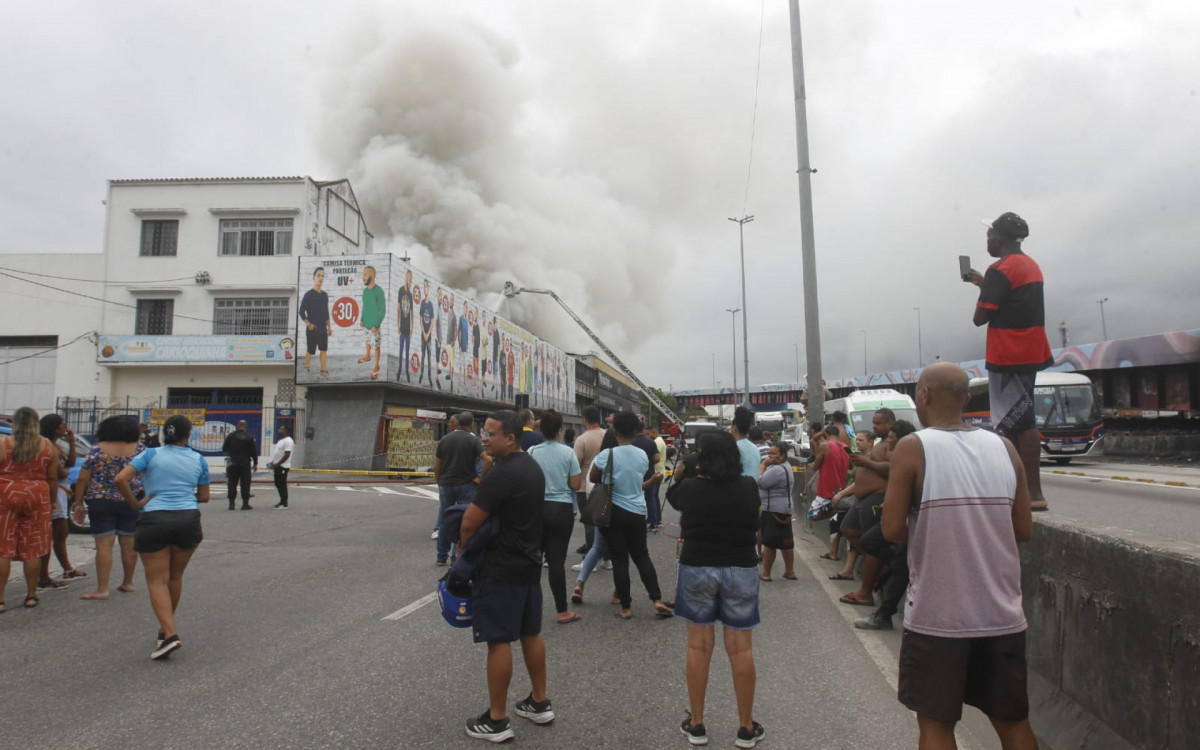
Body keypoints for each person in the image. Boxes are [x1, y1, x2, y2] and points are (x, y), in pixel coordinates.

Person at [882, 362, 1037, 750]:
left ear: (924, 395)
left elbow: (890, 529)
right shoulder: (1004, 446)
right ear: (967, 399)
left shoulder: (913, 447)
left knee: (936, 725)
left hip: (938, 618)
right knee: (1013, 722)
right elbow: (1023, 530)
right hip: (1002, 615)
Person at [457, 410, 553, 742]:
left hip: (500, 568)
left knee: (498, 641)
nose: (484, 438)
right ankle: (539, 702)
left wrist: (461, 551)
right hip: (528, 563)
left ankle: (497, 720)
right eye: (484, 431)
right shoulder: (531, 467)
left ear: (510, 438)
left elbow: (470, 521)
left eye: (491, 433)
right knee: (530, 633)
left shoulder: (502, 474)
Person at [666, 431, 765, 748]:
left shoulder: (691, 489)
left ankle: (697, 724)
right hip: (740, 568)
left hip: (698, 568)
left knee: (698, 647)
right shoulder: (749, 486)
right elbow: (754, 520)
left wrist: (685, 467)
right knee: (741, 649)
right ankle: (746, 727)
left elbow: (673, 495)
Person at [965, 212, 1052, 512]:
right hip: (1031, 350)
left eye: (989, 236)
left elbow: (980, 318)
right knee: (1017, 420)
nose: (987, 241)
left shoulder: (1000, 269)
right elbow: (1011, 304)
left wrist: (984, 284)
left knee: (1017, 422)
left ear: (999, 238)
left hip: (1008, 352)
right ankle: (1023, 491)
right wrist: (982, 283)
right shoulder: (1030, 265)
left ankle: (1033, 494)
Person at [114, 414, 210, 660]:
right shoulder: (199, 459)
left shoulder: (151, 454)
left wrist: (136, 504)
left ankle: (169, 633)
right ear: (188, 434)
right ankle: (164, 631)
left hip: (155, 518)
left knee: (157, 580)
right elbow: (205, 496)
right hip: (188, 518)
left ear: (164, 434)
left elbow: (120, 479)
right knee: (175, 577)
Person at [591, 411, 672, 620]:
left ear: (615, 430)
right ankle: (657, 599)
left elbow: (594, 477)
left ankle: (626, 607)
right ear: (636, 431)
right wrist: (652, 482)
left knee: (619, 559)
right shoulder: (641, 455)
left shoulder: (606, 455)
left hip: (613, 512)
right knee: (642, 555)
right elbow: (638, 486)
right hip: (637, 511)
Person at [72, 416, 144, 600]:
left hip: (100, 500)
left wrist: (78, 502)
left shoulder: (96, 450)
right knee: (129, 542)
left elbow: (82, 478)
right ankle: (128, 582)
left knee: (104, 544)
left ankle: (102, 588)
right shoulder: (140, 450)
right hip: (131, 499)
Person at [527, 410, 583, 624]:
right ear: (560, 430)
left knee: (532, 560)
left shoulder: (531, 451)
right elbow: (575, 485)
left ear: (540, 429)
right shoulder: (568, 453)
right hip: (561, 509)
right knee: (556, 561)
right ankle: (562, 611)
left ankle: (528, 608)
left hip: (536, 509)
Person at [0, 407, 57, 611]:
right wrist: (52, 501)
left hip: (5, 493)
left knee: (3, 548)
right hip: (37, 494)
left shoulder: (3, 443)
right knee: (32, 548)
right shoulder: (47, 445)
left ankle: (0, 599)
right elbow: (52, 477)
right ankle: (31, 595)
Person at [837, 408, 896, 606]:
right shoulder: (882, 444)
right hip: (862, 498)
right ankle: (882, 565)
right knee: (848, 529)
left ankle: (867, 590)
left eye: (878, 423)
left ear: (890, 422)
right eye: (874, 423)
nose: (874, 426)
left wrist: (864, 462)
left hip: (876, 496)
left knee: (871, 541)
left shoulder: (892, 444)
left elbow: (892, 469)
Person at [571, 428, 617, 603]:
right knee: (623, 550)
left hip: (601, 508)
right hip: (622, 509)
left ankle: (580, 584)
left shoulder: (600, 457)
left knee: (597, 546)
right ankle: (618, 592)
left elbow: (591, 483)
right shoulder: (625, 455)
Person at [38, 414, 82, 589]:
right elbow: (61, 473)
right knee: (54, 533)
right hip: (55, 491)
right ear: (55, 428)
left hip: (61, 490)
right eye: (63, 426)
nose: (66, 428)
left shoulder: (56, 445)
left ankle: (67, 569)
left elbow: (70, 463)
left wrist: (71, 442)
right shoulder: (48, 446)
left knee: (60, 534)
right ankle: (43, 575)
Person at [435, 412, 485, 565]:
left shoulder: (445, 439)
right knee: (464, 520)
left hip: (447, 484)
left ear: (457, 423)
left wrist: (439, 482)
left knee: (445, 519)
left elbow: (438, 464)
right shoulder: (473, 440)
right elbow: (488, 459)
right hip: (466, 484)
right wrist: (480, 478)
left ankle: (441, 556)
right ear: (471, 424)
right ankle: (456, 556)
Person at [757, 442, 796, 582]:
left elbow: (761, 482)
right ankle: (789, 571)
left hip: (773, 508)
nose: (770, 457)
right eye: (770, 453)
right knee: (786, 541)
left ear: (783, 455)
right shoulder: (786, 466)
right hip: (785, 507)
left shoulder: (776, 470)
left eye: (774, 454)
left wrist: (762, 466)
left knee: (770, 542)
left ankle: (766, 573)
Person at [571, 406, 606, 556]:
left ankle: (590, 557)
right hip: (605, 486)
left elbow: (575, 465)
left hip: (585, 487)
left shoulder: (582, 439)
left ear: (585, 420)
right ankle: (606, 557)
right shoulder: (608, 435)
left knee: (589, 524)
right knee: (605, 522)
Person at [299, 266, 332, 378]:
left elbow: (326, 312)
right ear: (314, 277)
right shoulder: (308, 295)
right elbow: (301, 311)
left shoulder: (324, 295)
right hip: (312, 329)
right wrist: (309, 324)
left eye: (322, 276)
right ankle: (307, 366)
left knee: (323, 350)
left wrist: (329, 327)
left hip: (323, 328)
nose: (320, 278)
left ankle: (323, 371)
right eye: (318, 275)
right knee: (311, 350)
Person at [221, 421, 258, 511]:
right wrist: (255, 463)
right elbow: (254, 452)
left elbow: (224, 448)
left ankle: (231, 504)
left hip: (232, 462)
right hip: (245, 462)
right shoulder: (249, 437)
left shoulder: (231, 436)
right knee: (245, 483)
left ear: (237, 426)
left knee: (232, 483)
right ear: (246, 427)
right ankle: (245, 504)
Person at [633, 423, 662, 532]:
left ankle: (637, 521)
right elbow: (657, 458)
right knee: (651, 498)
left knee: (635, 497)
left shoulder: (631, 442)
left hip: (635, 474)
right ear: (643, 430)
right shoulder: (650, 442)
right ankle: (653, 522)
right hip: (649, 473)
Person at [358, 265, 386, 381]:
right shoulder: (365, 291)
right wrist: (362, 319)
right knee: (367, 341)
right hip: (366, 324)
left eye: (365, 274)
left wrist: (377, 325)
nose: (363, 277)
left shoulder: (378, 291)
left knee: (376, 345)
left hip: (375, 326)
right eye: (363, 274)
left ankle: (376, 365)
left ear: (372, 275)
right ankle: (367, 355)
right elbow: (364, 306)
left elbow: (382, 310)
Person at [647, 425, 669, 531]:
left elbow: (655, 456)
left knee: (651, 497)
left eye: (648, 434)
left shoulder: (657, 442)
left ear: (654, 432)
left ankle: (654, 520)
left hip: (656, 472)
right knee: (654, 496)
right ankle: (657, 518)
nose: (648, 436)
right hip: (659, 471)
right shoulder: (659, 440)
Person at [268, 425, 294, 509]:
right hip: (278, 466)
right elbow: (278, 454)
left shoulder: (288, 441)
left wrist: (278, 464)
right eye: (279, 429)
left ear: (286, 431)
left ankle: (284, 503)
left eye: (281, 429)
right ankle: (282, 501)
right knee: (278, 483)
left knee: (282, 484)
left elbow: (287, 455)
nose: (279, 430)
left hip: (283, 466)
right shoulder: (280, 441)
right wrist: (273, 462)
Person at [731, 407, 760, 478]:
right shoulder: (755, 447)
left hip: (740, 487)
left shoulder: (733, 447)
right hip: (754, 487)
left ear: (735, 428)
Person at [396, 269, 414, 382]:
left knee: (407, 351)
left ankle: (407, 371)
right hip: (402, 327)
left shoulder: (410, 295)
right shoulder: (401, 291)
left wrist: (412, 329)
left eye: (411, 280)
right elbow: (398, 308)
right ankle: (399, 369)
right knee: (401, 349)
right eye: (409, 279)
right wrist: (397, 325)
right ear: (406, 278)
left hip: (408, 329)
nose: (410, 281)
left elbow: (412, 313)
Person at [418, 279, 435, 387]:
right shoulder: (422, 303)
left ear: (428, 288)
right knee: (423, 356)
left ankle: (429, 377)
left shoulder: (431, 305)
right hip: (422, 334)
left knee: (429, 357)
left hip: (429, 336)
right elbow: (420, 319)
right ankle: (421, 374)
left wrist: (428, 334)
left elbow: (432, 321)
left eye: (426, 287)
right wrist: (423, 332)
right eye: (423, 287)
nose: (425, 289)